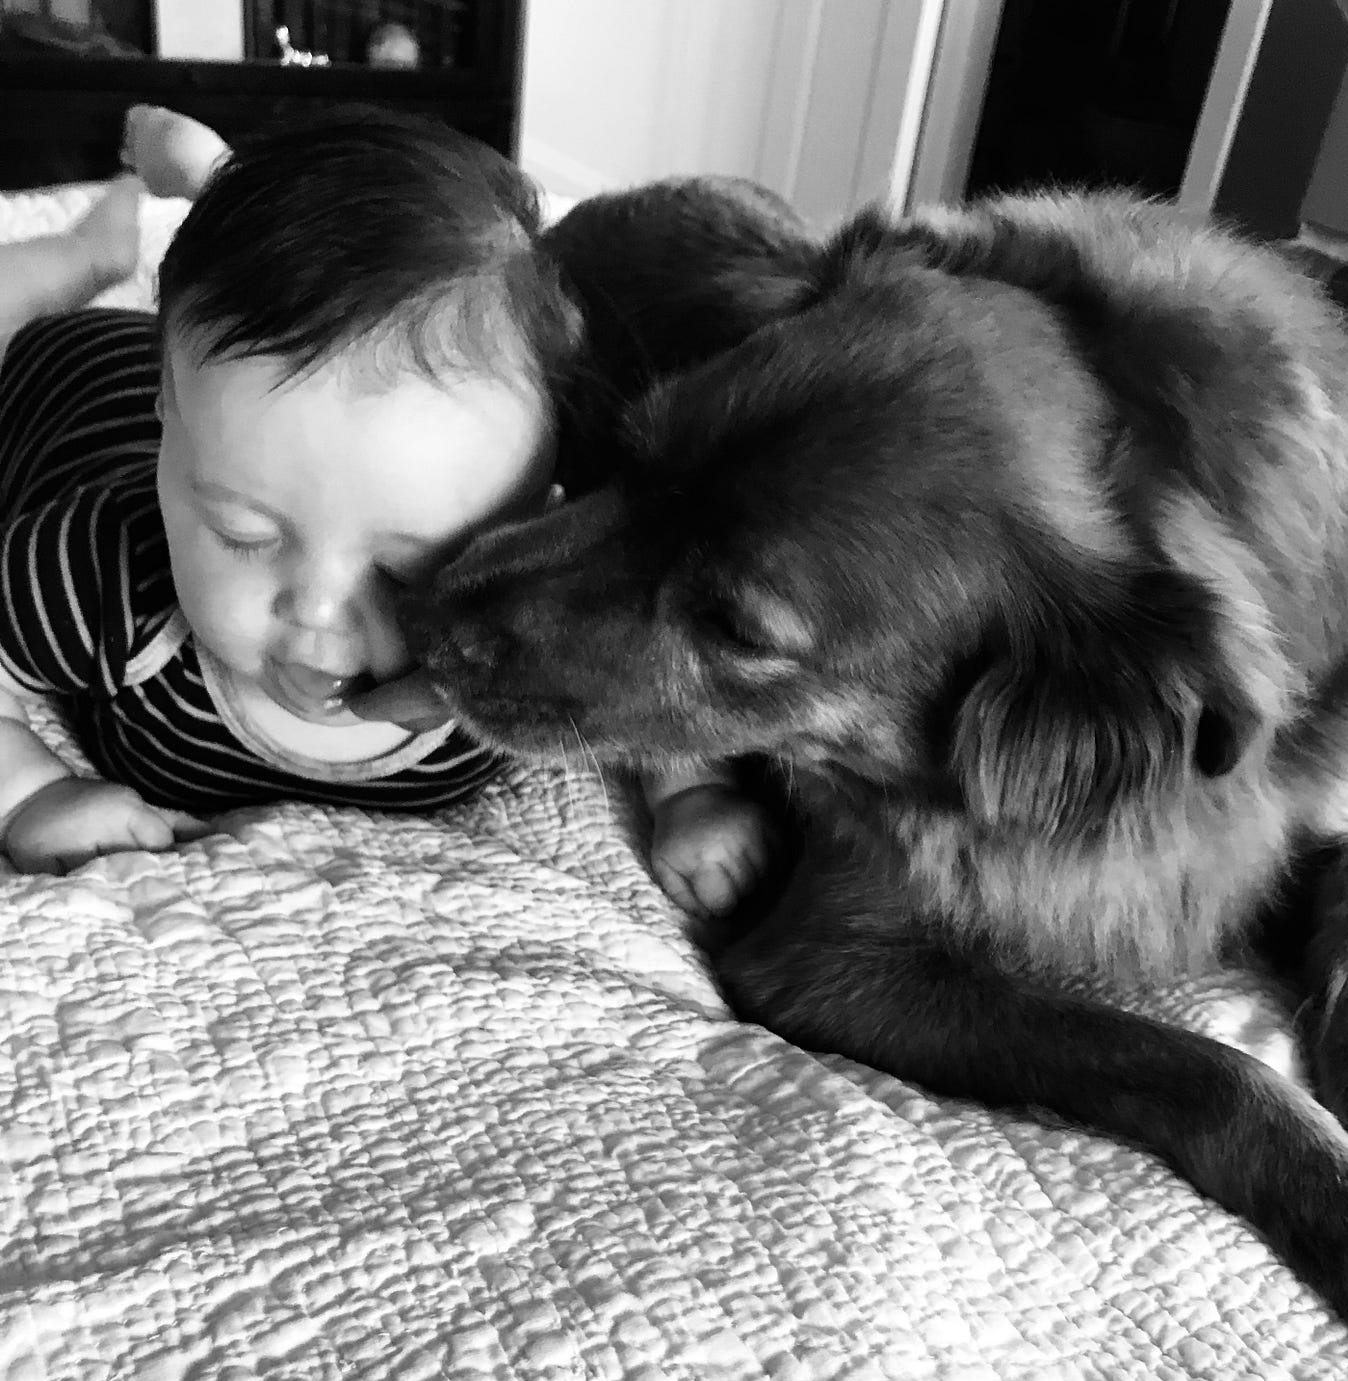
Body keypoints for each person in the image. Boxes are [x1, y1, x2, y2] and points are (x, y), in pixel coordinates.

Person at [0, 106, 775, 917]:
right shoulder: (102, 569)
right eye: (242, 533)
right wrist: (27, 791)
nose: (318, 610)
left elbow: (628, 675)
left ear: (535, 539)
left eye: (410, 568)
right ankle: (94, 252)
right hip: (69, 379)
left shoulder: (528, 636)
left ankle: (214, 176)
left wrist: (692, 791)